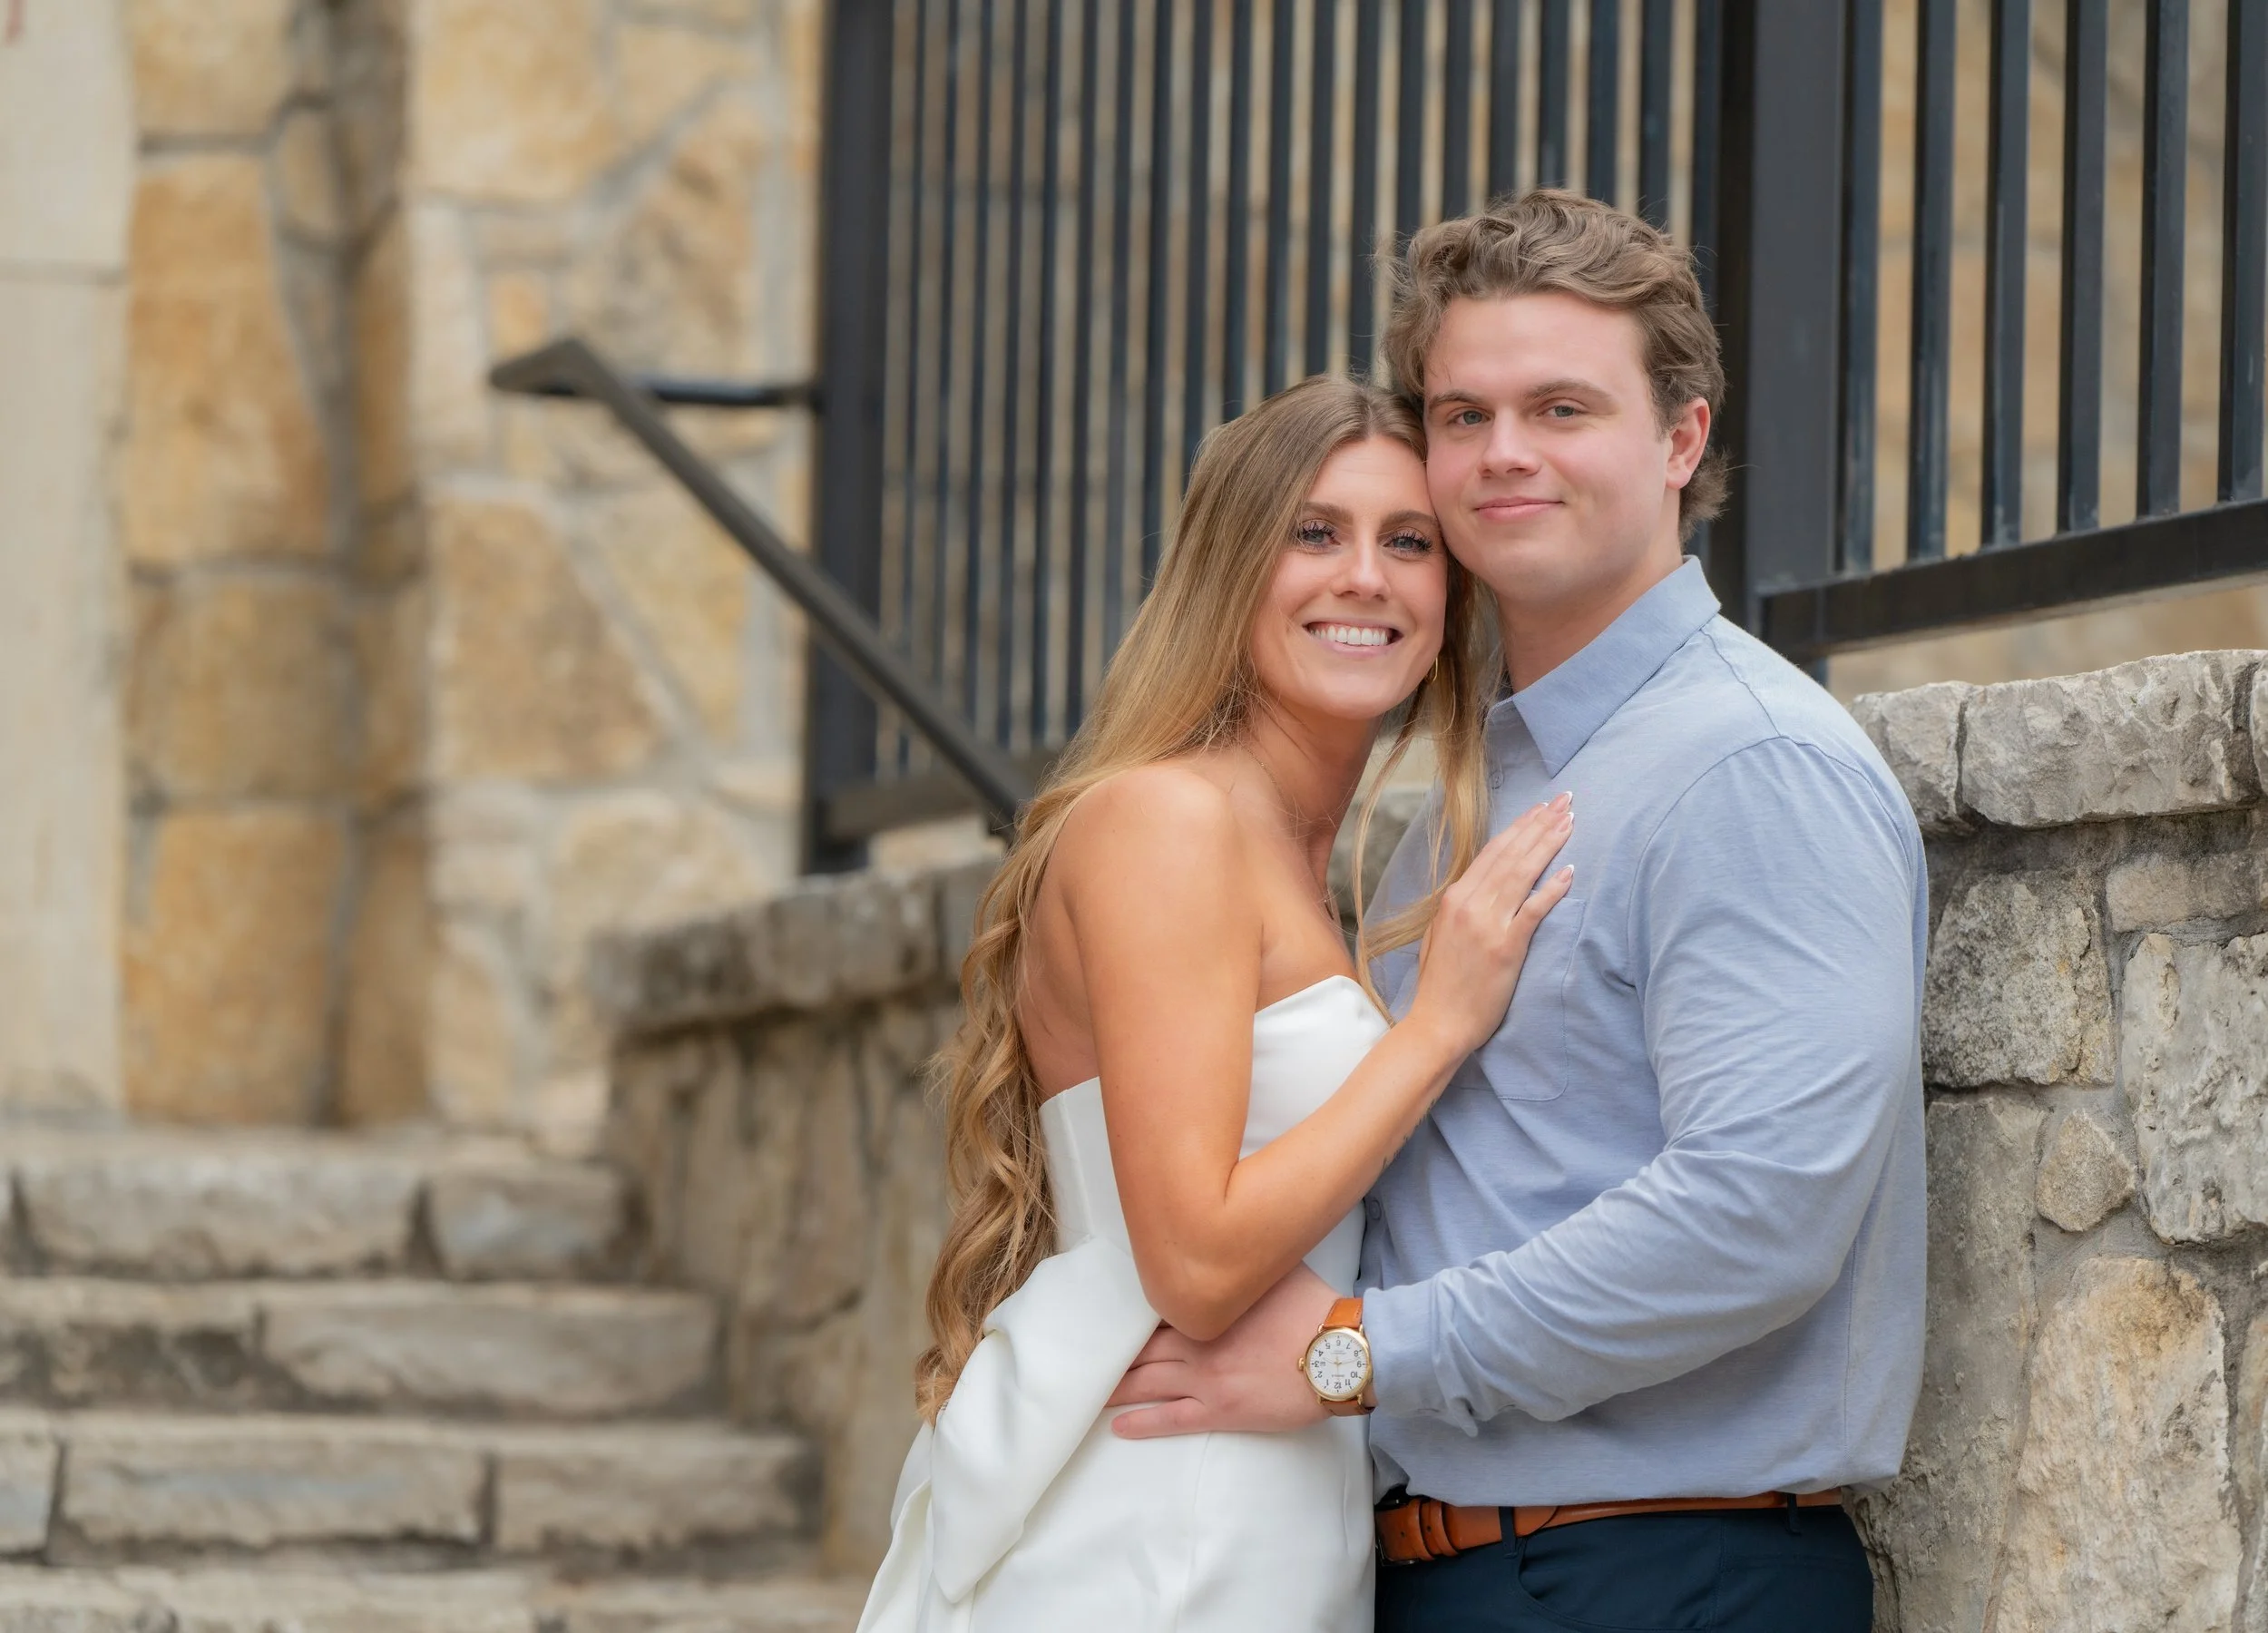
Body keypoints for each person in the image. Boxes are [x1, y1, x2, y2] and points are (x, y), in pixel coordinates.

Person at [1108, 191, 1928, 1632]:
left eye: (1561, 408)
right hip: (1458, 1572)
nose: (1503, 457)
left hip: (1654, 1575)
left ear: (1680, 441)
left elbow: (1757, 1214)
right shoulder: (1472, 788)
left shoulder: (1752, 766)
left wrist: (1358, 1357)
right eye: (1463, 413)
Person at [856, 376, 1580, 1633]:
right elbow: (1193, 1261)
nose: (1366, 576)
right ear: (1230, 566)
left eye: (1408, 542)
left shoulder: (1296, 856)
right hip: (1159, 1525)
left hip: (1262, 1495)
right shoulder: (1169, 823)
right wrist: (1437, 1031)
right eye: (1315, 533)